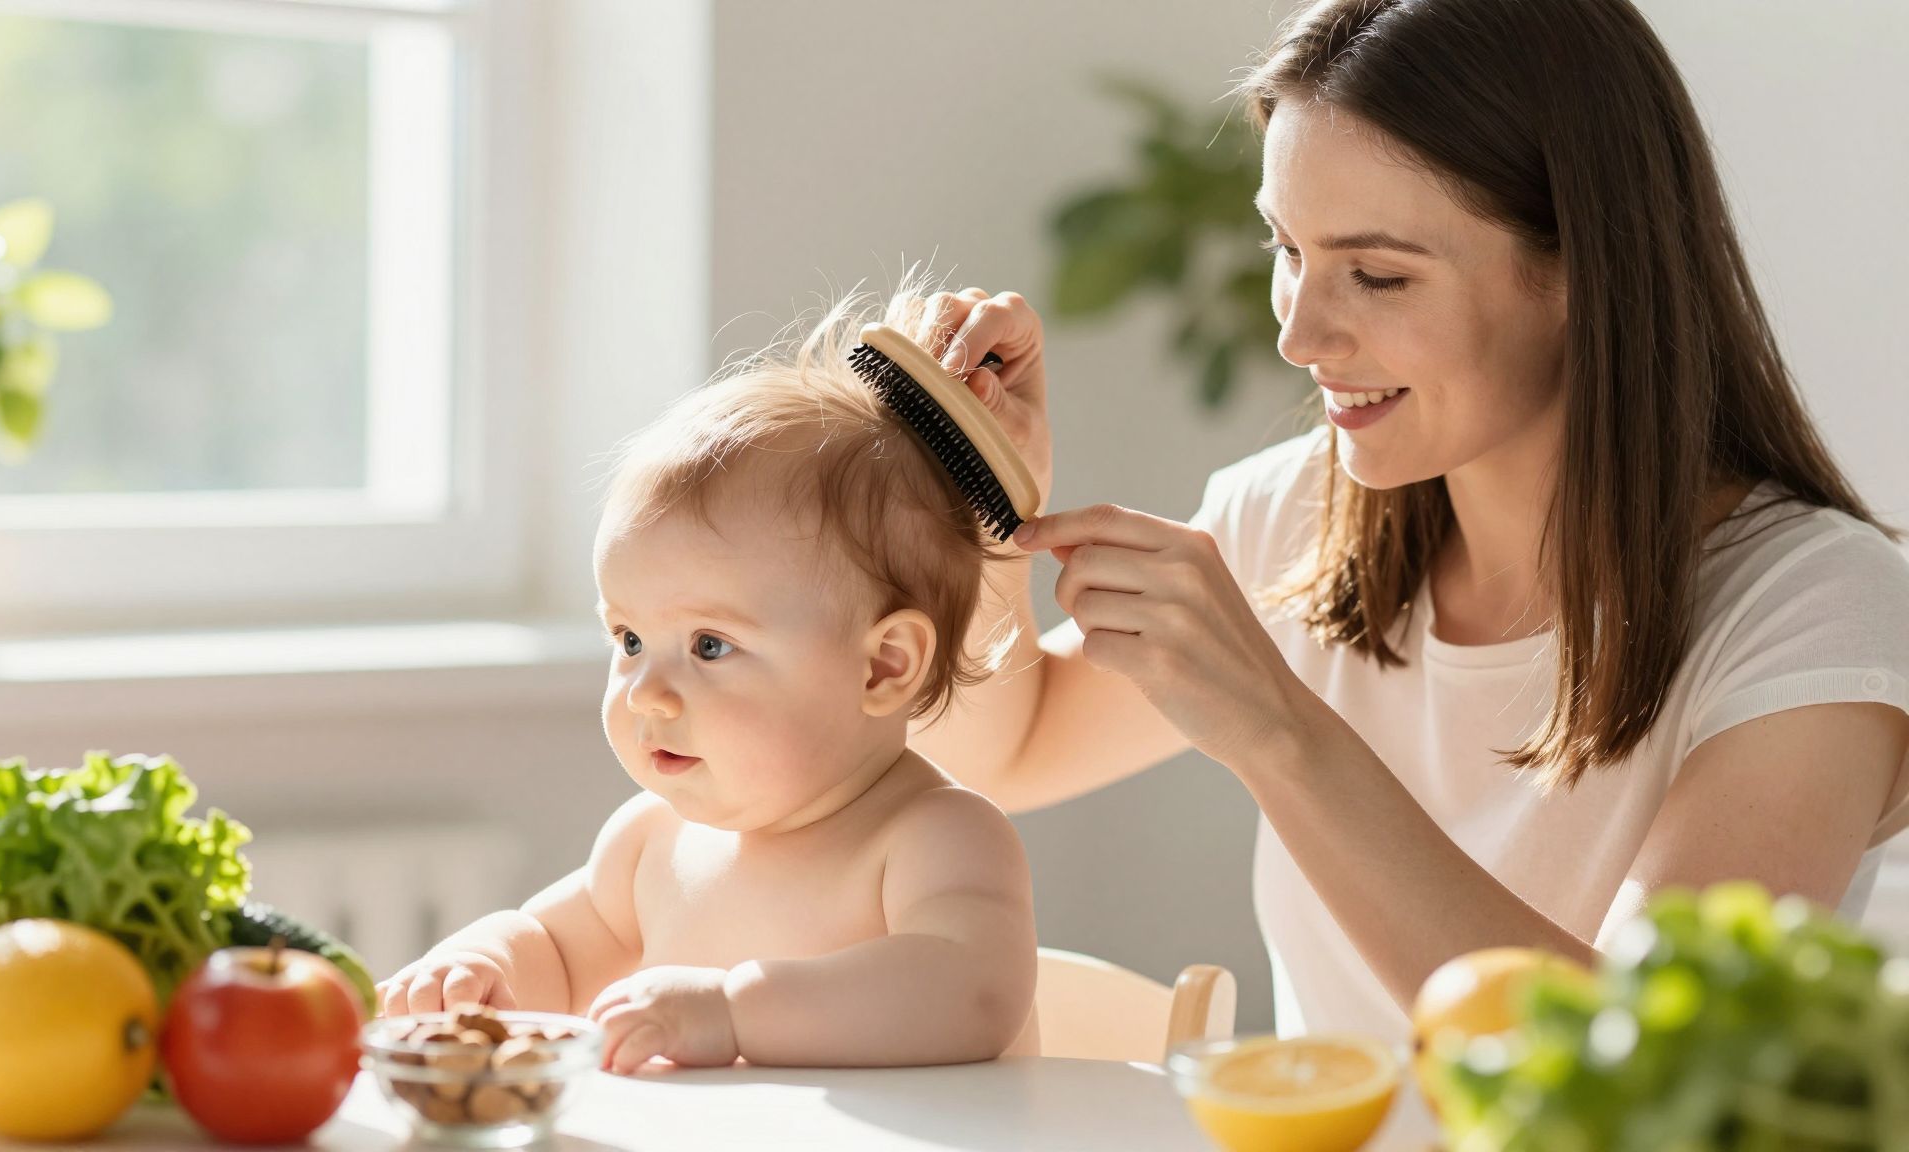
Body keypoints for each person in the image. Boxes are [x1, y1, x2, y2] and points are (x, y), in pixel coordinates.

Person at [909, 0, 1909, 1065]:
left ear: (1582, 263)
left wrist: (1276, 731)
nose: (1296, 332)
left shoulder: (1815, 616)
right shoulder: (1292, 520)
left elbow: (1632, 1080)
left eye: (1376, 276)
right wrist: (986, 500)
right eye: (1284, 248)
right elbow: (1004, 751)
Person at [378, 289, 1039, 1075]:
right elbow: (555, 949)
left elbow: (969, 997)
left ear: (884, 664)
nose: (645, 693)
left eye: (710, 646)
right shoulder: (652, 841)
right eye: (628, 638)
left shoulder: (934, 837)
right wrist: (481, 965)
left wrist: (734, 1013)